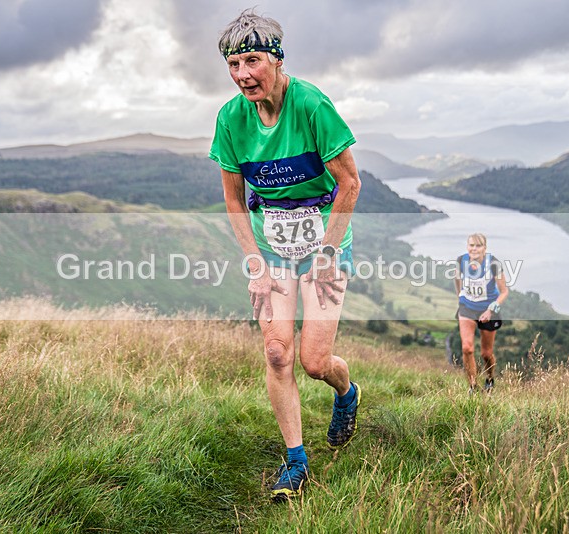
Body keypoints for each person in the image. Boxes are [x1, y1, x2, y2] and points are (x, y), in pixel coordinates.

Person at [209, 8, 362, 500]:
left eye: (252, 61)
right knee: (277, 353)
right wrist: (254, 263)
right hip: (271, 248)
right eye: (233, 65)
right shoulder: (231, 118)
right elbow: (234, 199)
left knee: (315, 362)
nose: (242, 74)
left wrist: (328, 252)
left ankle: (346, 392)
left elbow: (350, 183)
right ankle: (296, 461)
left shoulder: (312, 104)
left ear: (277, 58)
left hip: (323, 243)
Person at [453, 233, 509, 395]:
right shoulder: (461, 261)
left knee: (486, 353)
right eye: (471, 245)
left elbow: (504, 292)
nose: (474, 249)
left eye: (478, 246)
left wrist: (490, 310)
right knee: (467, 348)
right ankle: (472, 386)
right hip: (467, 308)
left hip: (488, 309)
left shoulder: (493, 263)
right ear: (467, 246)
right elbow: (457, 279)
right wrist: (460, 296)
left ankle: (490, 379)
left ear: (485, 248)